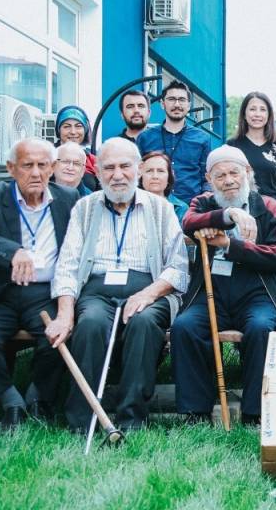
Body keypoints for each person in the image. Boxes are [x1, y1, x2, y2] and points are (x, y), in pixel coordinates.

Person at [51, 138, 189, 432]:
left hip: (149, 289)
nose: (117, 174)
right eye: (109, 168)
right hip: (96, 290)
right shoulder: (84, 208)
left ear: (138, 169)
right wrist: (65, 312)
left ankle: (132, 417)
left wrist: (148, 294)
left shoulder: (160, 209)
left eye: (125, 166)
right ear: (98, 173)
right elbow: (67, 265)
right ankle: (82, 419)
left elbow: (178, 268)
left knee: (143, 323)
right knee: (89, 324)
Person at [173, 145, 276, 425]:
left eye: (234, 173)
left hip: (259, 291)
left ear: (248, 172)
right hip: (212, 292)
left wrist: (231, 245)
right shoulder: (204, 203)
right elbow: (188, 221)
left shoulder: (268, 206)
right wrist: (227, 215)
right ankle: (195, 411)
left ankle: (255, 412)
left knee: (260, 327)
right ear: (209, 179)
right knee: (185, 326)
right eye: (220, 176)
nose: (228, 180)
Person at [0, 138, 78, 431]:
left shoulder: (69, 198)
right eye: (27, 165)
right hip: (2, 291)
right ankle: (9, 400)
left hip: (45, 292)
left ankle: (39, 397)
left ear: (52, 168)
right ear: (11, 168)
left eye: (42, 165)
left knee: (60, 334)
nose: (36, 173)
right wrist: (11, 250)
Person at [136, 81, 212, 205]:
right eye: (171, 99)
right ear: (162, 104)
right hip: (152, 205)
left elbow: (207, 176)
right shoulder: (145, 137)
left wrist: (205, 196)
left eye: (182, 100)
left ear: (189, 105)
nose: (177, 104)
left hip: (190, 209)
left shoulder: (203, 138)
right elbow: (137, 174)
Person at [227, 91, 276, 199]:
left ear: (269, 115)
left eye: (263, 110)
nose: (257, 114)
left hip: (273, 209)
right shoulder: (232, 145)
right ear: (244, 114)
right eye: (252, 109)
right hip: (242, 209)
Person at [139, 151, 188, 221]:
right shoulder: (130, 206)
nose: (155, 176)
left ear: (169, 176)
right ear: (140, 176)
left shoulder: (181, 208)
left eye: (160, 171)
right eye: (149, 171)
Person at [54, 105, 97, 181]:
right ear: (58, 130)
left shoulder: (93, 159)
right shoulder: (47, 155)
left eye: (78, 126)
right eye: (67, 127)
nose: (73, 132)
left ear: (85, 130)